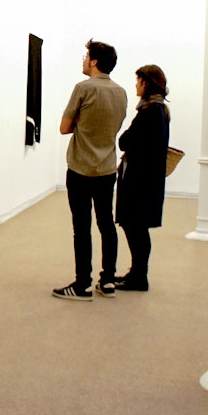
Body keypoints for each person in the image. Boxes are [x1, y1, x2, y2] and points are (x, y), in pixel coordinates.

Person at [53, 39, 128, 301]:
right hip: (107, 169)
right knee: (107, 224)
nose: (84, 61)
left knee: (82, 228)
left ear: (94, 61)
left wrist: (79, 122)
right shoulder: (121, 92)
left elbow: (64, 128)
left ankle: (82, 284)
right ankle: (108, 281)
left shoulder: (83, 88)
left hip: (80, 169)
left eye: (86, 57)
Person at [114, 65, 170, 292]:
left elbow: (125, 141)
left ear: (146, 83)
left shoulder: (150, 112)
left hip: (140, 182)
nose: (135, 85)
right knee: (137, 227)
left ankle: (139, 276)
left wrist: (127, 139)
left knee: (135, 227)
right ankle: (137, 273)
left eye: (138, 81)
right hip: (146, 180)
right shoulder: (157, 110)